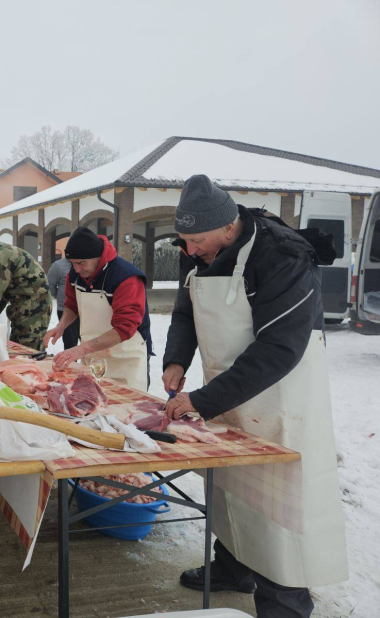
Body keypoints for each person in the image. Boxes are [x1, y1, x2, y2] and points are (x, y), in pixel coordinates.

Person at [162, 174, 347, 617]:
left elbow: (279, 348)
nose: (190, 252)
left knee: (278, 507)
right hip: (228, 390)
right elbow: (186, 309)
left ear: (229, 228)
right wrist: (175, 360)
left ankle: (285, 601)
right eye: (183, 242)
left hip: (280, 397)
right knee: (230, 488)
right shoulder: (201, 250)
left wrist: (204, 400)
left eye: (197, 241)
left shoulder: (282, 254)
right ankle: (233, 568)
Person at [44, 228, 152, 390]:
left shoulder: (126, 277)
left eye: (81, 263)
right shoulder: (75, 274)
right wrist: (61, 326)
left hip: (126, 360)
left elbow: (124, 327)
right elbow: (72, 305)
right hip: (93, 358)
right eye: (72, 263)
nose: (77, 269)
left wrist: (82, 348)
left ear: (98, 257)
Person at [46, 252, 80, 350]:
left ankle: (86, 364)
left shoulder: (86, 265)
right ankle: (72, 364)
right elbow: (50, 285)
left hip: (85, 310)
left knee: (86, 339)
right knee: (70, 342)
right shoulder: (58, 266)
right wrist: (60, 296)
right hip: (65, 309)